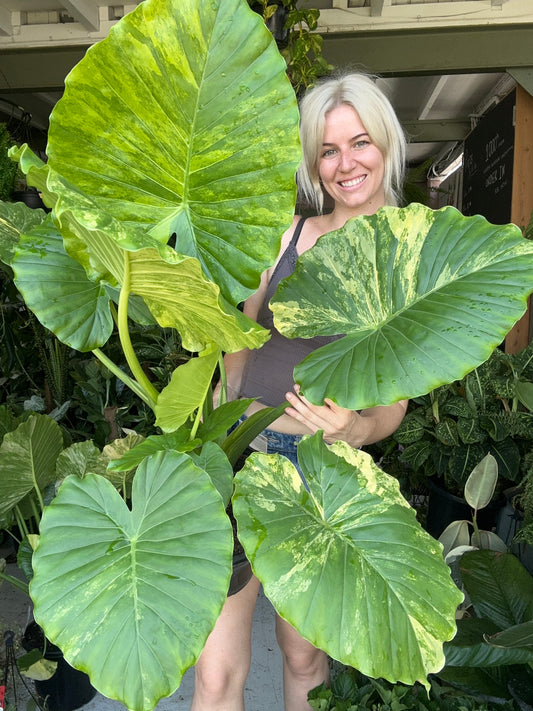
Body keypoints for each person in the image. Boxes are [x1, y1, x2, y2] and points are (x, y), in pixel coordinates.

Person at [190, 72, 409, 711]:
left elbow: (393, 404)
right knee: (213, 673)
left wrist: (356, 430)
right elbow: (234, 334)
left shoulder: (407, 261)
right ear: (315, 160)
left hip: (320, 468)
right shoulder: (286, 234)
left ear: (387, 146)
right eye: (329, 149)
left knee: (305, 656)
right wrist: (220, 420)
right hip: (239, 455)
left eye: (360, 143)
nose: (346, 164)